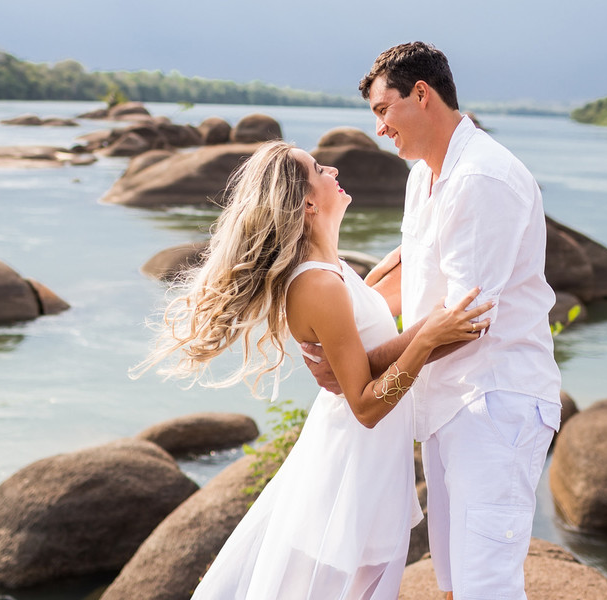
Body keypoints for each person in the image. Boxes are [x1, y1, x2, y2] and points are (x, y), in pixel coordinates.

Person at [134, 140, 492, 600]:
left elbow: (361, 339)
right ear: (306, 202)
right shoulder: (318, 282)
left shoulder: (331, 269)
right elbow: (364, 404)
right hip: (351, 462)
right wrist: (426, 340)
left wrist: (387, 282)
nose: (333, 168)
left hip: (370, 460)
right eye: (319, 168)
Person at [304, 42, 562, 600]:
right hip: (449, 402)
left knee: (485, 586)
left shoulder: (481, 178)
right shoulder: (424, 176)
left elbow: (465, 319)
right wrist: (339, 328)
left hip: (495, 400)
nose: (378, 130)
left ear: (421, 95)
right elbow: (409, 267)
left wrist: (361, 367)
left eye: (382, 110)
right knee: (452, 580)